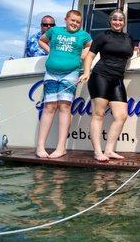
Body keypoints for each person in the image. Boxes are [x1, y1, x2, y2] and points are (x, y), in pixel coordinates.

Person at [35, 10, 92, 158]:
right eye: (72, 20)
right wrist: (51, 51)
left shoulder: (83, 35)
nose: (75, 24)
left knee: (65, 107)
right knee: (49, 106)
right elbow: (41, 40)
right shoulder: (54, 30)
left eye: (78, 22)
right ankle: (40, 147)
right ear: (66, 19)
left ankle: (61, 148)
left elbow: (90, 46)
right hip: (51, 73)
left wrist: (84, 54)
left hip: (71, 73)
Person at [79, 9, 133, 162]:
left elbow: (130, 50)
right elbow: (90, 55)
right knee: (98, 115)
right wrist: (87, 72)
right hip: (100, 76)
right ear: (110, 21)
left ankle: (109, 150)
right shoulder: (102, 36)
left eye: (121, 20)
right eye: (115, 19)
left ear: (124, 22)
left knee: (121, 116)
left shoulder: (128, 38)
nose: (118, 22)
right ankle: (97, 151)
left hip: (117, 79)